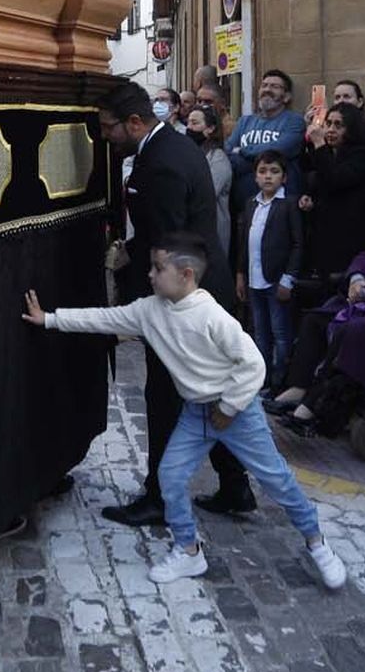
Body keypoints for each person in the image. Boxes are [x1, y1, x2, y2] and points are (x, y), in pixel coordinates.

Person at [21, 234, 348, 588]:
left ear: (186, 274)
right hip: (196, 415)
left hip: (238, 414)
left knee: (278, 481)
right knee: (171, 477)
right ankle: (189, 552)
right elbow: (105, 318)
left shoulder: (211, 316)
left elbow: (253, 364)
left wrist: (228, 407)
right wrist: (50, 319)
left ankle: (318, 544)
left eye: (158, 268)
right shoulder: (149, 311)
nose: (149, 275)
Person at [95, 82, 255, 525]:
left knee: (164, 395)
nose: (106, 136)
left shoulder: (162, 163)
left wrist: (132, 274)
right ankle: (235, 485)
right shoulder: (173, 146)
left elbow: (166, 243)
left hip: (184, 295)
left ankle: (160, 497)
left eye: (109, 128)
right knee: (206, 391)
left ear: (133, 122)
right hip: (202, 286)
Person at [267, 192, 365, 431]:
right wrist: (356, 278)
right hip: (360, 303)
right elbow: (362, 259)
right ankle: (298, 386)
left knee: (349, 333)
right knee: (314, 320)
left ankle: (312, 404)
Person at [233, 151, 303, 389]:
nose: (268, 177)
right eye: (262, 172)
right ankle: (262, 380)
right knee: (260, 333)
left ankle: (279, 382)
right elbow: (245, 242)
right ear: (255, 177)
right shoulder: (251, 204)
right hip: (254, 279)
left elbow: (298, 243)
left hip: (277, 280)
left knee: (281, 334)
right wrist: (241, 274)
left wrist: (288, 278)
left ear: (284, 177)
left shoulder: (289, 204)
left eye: (274, 172)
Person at [301, 102, 365, 280]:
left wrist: (318, 143)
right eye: (328, 123)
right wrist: (309, 199)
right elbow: (317, 178)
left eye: (338, 125)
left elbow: (336, 179)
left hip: (350, 235)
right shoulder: (327, 151)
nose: (330, 130)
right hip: (323, 234)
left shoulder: (362, 153)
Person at [227, 69, 307, 206]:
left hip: (280, 206)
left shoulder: (294, 121)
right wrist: (255, 157)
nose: (267, 89)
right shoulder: (244, 121)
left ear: (287, 97)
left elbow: (279, 151)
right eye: (264, 85)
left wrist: (242, 152)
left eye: (275, 87)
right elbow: (227, 152)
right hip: (245, 204)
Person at [187, 105, 233, 259]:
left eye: (195, 123)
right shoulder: (189, 153)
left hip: (211, 230)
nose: (189, 127)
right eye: (188, 123)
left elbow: (206, 193)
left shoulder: (217, 158)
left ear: (210, 128)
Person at [331, 79, 365, 145]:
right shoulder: (327, 128)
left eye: (346, 97)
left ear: (360, 102)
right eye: (337, 97)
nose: (341, 101)